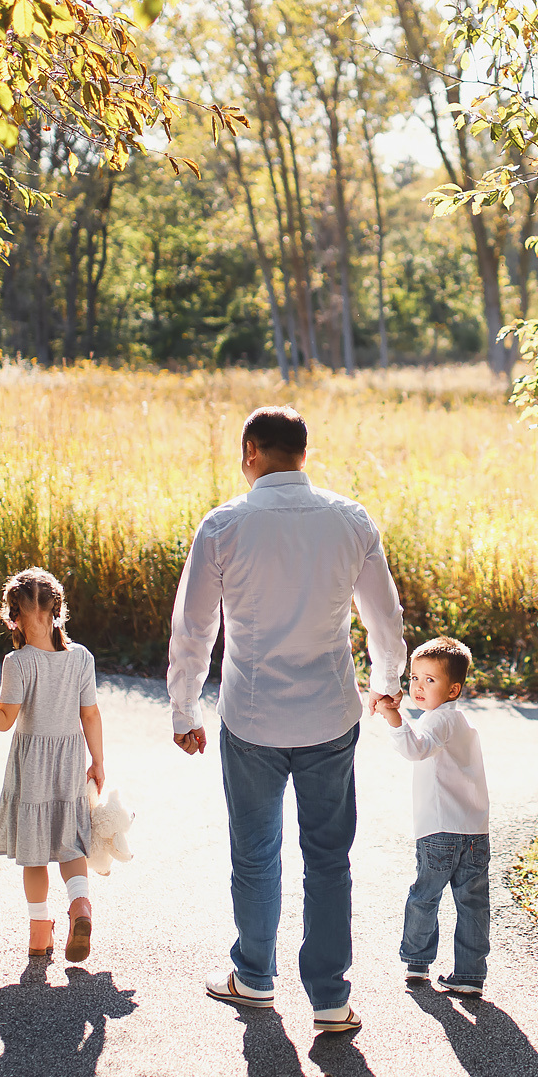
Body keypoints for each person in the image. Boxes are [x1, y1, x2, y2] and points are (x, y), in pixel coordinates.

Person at [167, 405, 407, 1037]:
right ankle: (329, 998)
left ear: (252, 452)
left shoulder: (223, 526)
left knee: (255, 851)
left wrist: (184, 707)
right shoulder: (349, 519)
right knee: (329, 856)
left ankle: (254, 978)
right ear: (304, 453)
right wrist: (386, 687)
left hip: (252, 717)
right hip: (331, 713)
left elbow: (194, 627)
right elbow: (385, 617)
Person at [0, 567, 106, 963]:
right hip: (69, 761)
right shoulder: (81, 657)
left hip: (31, 764)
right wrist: (98, 761)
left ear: (13, 617)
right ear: (57, 611)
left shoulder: (17, 662)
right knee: (70, 842)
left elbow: (3, 720)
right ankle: (80, 905)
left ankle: (38, 933)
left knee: (34, 854)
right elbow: (91, 715)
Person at [371, 636, 491, 995]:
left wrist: (393, 716)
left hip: (439, 831)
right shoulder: (459, 723)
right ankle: (470, 975)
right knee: (472, 902)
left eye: (430, 680)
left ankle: (417, 962)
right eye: (414, 678)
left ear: (453, 689)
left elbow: (414, 749)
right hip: (474, 833)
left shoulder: (437, 722)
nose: (418, 686)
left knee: (425, 895)